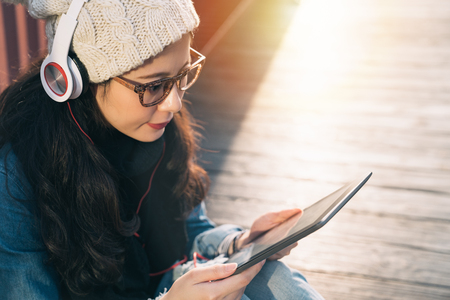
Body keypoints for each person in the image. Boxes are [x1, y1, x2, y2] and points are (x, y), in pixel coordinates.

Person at [0, 0, 325, 299]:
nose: (175, 103)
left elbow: (189, 229)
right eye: (154, 85)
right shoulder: (20, 176)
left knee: (269, 274)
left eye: (182, 75)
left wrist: (240, 244)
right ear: (71, 79)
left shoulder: (157, 124)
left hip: (167, 285)